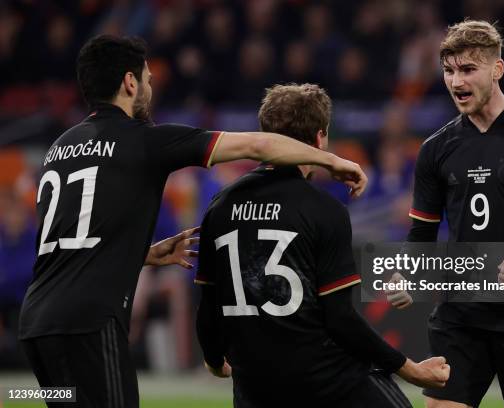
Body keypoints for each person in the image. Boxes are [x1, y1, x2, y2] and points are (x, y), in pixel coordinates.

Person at [18, 35, 368, 408]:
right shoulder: (145, 140)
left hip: (38, 326)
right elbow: (260, 145)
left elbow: (70, 243)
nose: (150, 89)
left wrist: (144, 253)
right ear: (130, 83)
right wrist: (332, 161)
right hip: (88, 324)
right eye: (149, 80)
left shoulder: (60, 148)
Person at [195, 83, 450, 408]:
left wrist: (214, 361)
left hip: (254, 389)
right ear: (319, 138)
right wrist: (411, 370)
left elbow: (208, 307)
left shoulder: (220, 207)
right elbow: (341, 319)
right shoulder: (322, 209)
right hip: (327, 381)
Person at [389, 20, 504, 408]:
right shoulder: (436, 149)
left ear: (498, 69)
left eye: (468, 69)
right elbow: (421, 233)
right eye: (449, 70)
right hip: (460, 316)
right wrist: (407, 272)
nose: (456, 81)